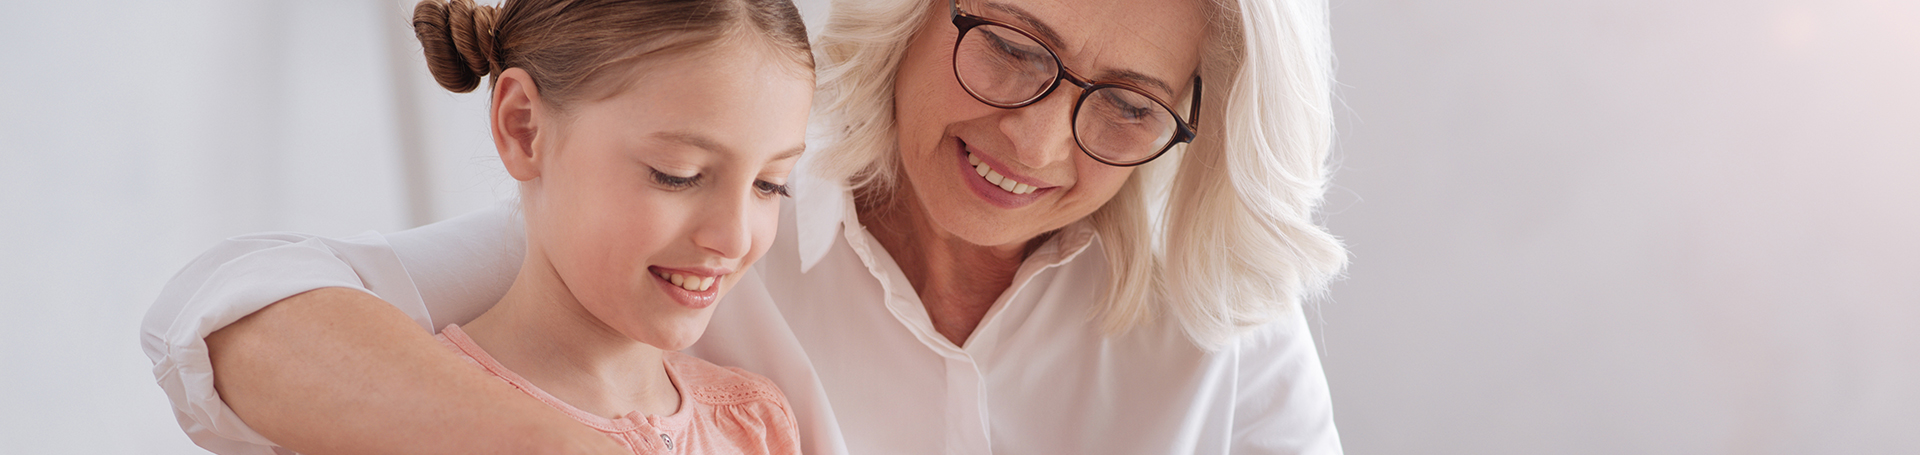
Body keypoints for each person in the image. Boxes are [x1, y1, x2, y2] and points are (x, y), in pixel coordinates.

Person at [143, 0, 1349, 453]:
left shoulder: (1219, 312)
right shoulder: (705, 241)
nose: (1037, 143)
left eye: (1129, 107)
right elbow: (237, 311)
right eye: (1011, 49)